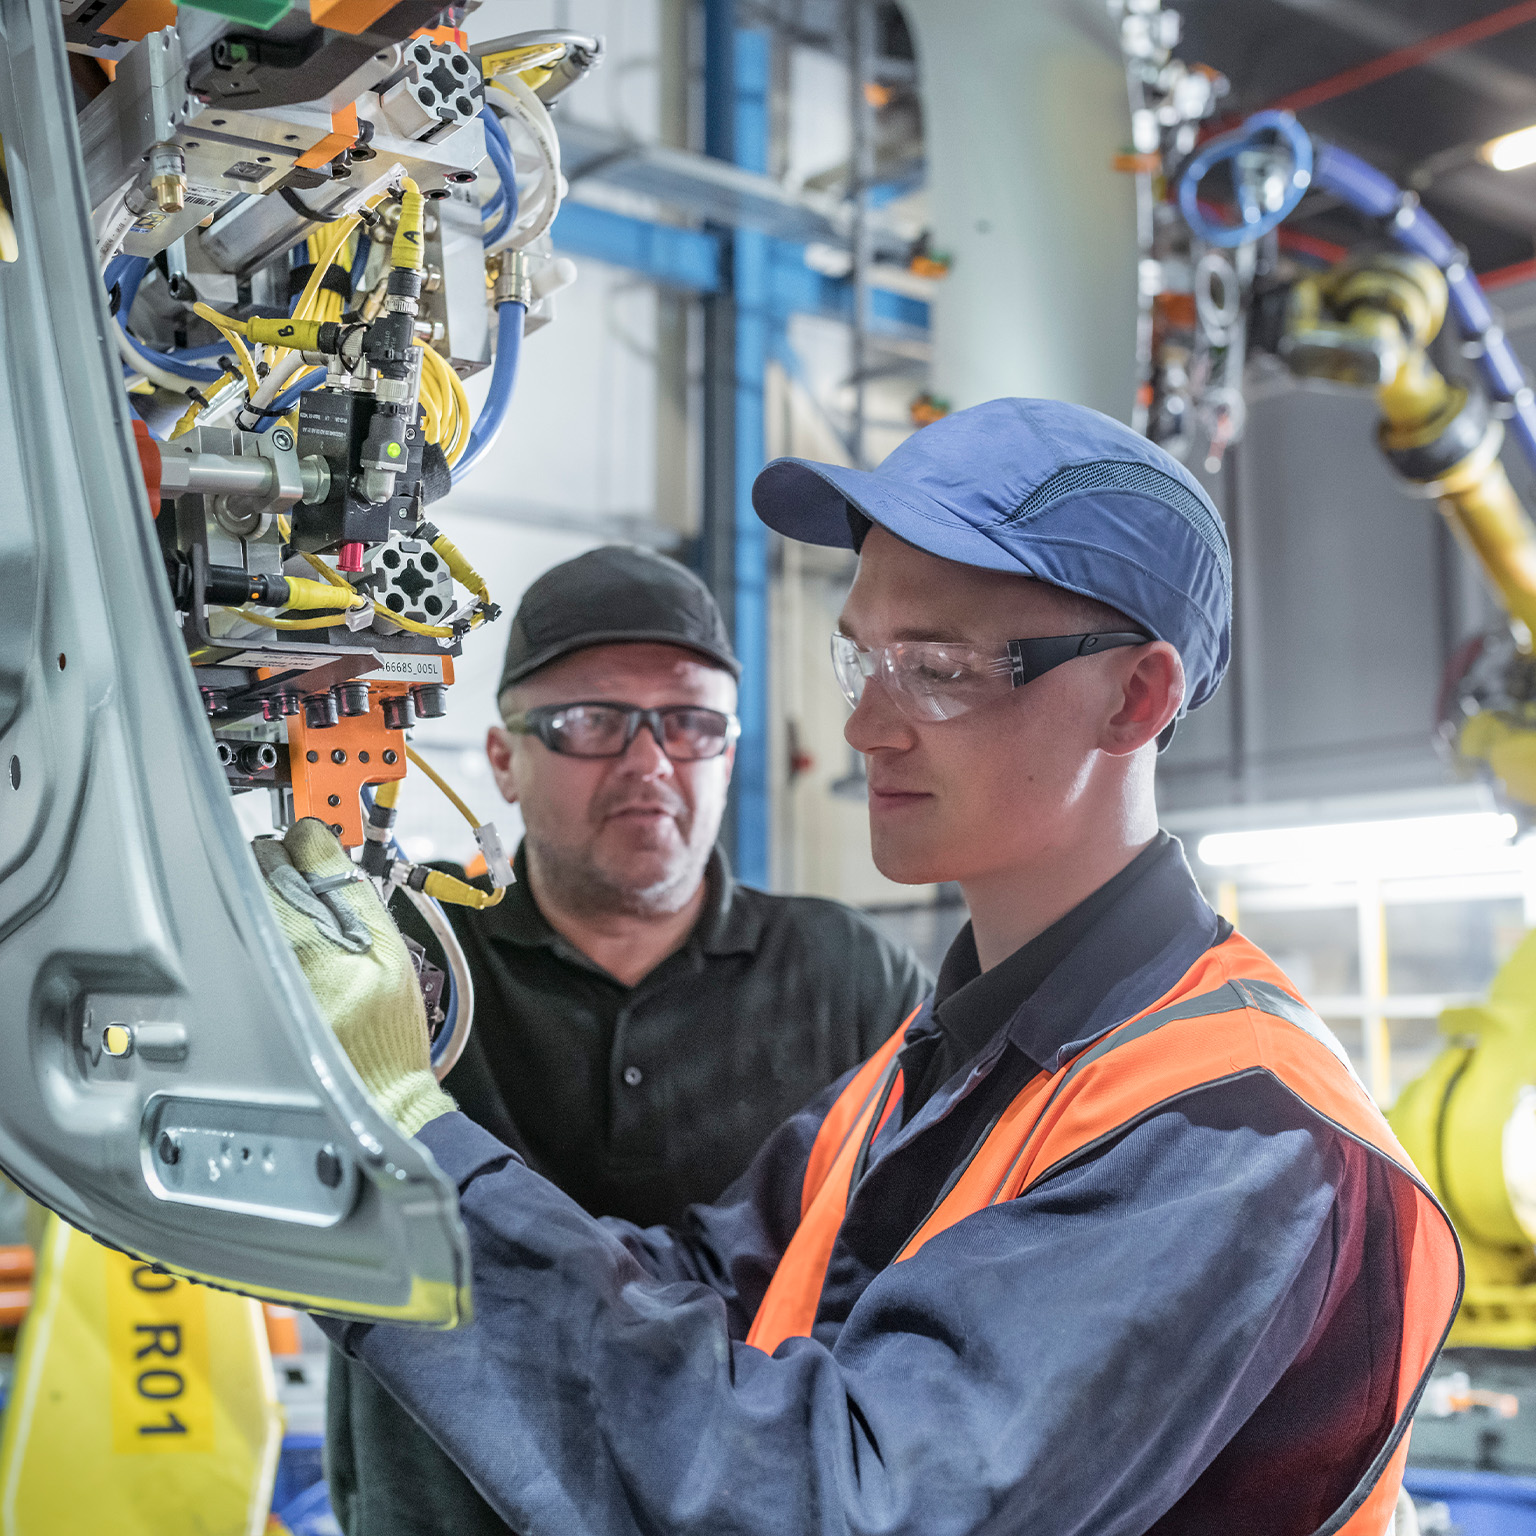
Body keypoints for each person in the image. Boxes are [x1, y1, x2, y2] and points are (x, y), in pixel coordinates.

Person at [259, 399, 1461, 1536]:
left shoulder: (1229, 1130)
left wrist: (406, 1139)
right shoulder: (931, 1072)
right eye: (862, 661)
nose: (864, 728)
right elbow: (682, 1293)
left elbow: (849, 1505)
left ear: (1135, 697)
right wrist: (337, 1153)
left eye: (936, 668)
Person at [323, 545, 932, 1536]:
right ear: (504, 759)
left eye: (690, 724)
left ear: (727, 754)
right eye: (593, 722)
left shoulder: (852, 980)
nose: (649, 763)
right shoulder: (395, 968)